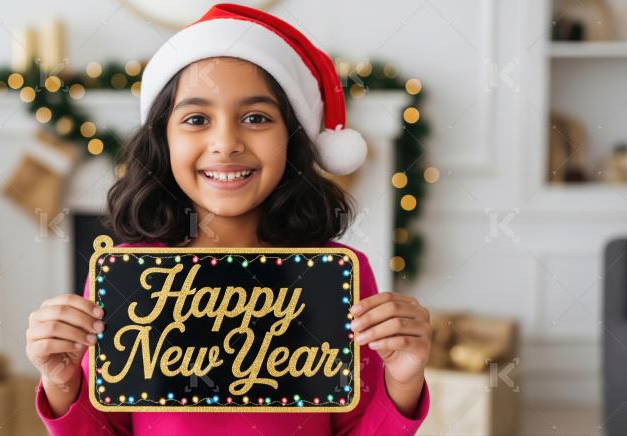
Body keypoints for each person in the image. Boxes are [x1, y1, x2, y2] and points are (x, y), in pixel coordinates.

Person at [26, 4, 431, 435]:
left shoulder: (335, 275)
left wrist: (403, 379)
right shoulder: (125, 275)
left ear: (292, 139)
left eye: (256, 118)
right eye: (196, 119)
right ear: (163, 139)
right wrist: (61, 381)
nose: (225, 143)